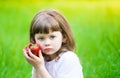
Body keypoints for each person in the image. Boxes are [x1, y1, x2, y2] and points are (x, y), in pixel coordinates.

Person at [23, 9, 84, 78]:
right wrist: (36, 66)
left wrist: (40, 67)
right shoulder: (40, 59)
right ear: (34, 40)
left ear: (64, 37)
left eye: (52, 37)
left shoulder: (68, 58)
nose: (47, 43)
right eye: (41, 38)